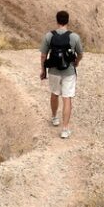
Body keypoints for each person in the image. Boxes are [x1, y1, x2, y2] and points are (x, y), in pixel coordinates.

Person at [40, 10, 83, 139]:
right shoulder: (74, 37)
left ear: (57, 20)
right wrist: (77, 62)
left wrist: (43, 70)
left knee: (54, 93)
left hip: (53, 70)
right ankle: (65, 129)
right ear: (67, 21)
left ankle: (54, 118)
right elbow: (80, 54)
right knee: (67, 98)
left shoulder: (49, 36)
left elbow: (43, 55)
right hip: (69, 71)